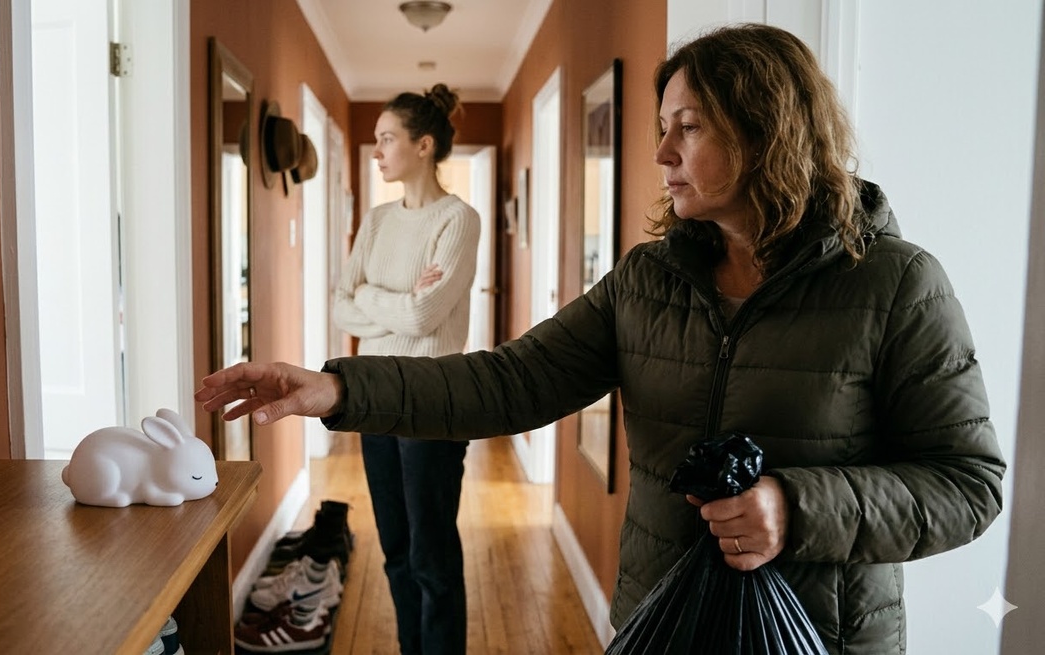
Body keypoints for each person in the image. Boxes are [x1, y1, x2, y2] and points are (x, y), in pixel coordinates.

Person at [196, 24, 1005, 654]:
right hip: (656, 622)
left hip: (819, 635)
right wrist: (338, 387)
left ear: (766, 130)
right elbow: (508, 381)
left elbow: (968, 485)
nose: (661, 152)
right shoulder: (647, 280)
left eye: (688, 127)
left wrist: (794, 508)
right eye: (662, 126)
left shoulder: (896, 284)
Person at [329, 83, 480, 655]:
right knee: (395, 550)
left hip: (431, 400)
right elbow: (340, 305)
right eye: (376, 140)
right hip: (372, 396)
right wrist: (394, 299)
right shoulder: (375, 221)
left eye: (387, 139)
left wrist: (372, 297)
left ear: (424, 145)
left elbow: (423, 316)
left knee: (430, 556)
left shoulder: (458, 220)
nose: (377, 151)